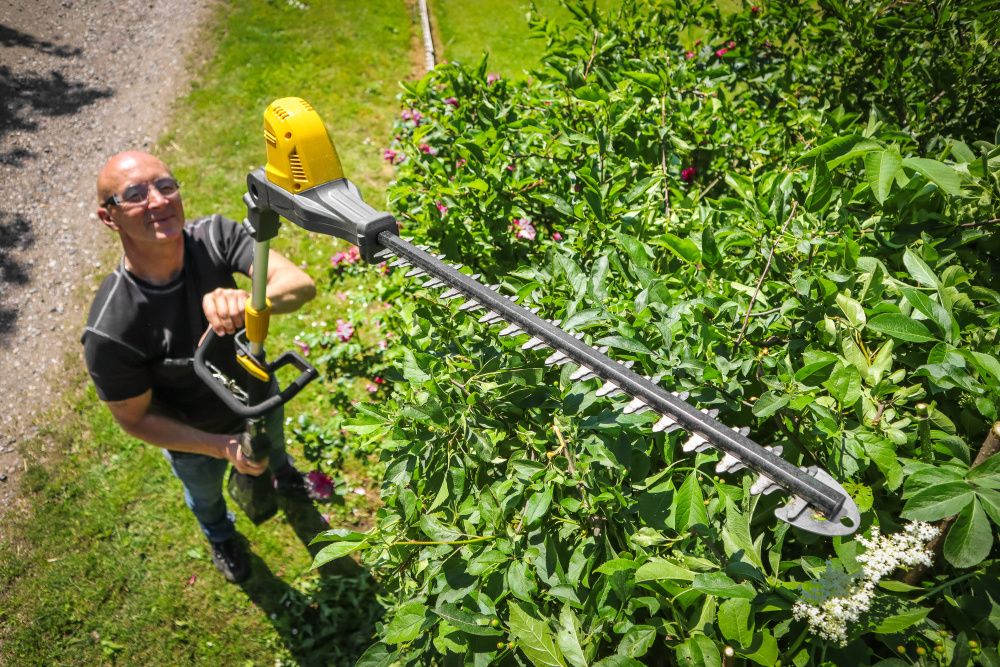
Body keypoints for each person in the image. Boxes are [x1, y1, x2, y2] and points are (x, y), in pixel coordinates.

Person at [81, 151, 317, 583]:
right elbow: (135, 419)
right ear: (108, 217)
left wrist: (252, 301)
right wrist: (221, 447)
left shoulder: (214, 237)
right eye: (135, 195)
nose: (158, 201)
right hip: (196, 438)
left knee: (276, 451)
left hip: (260, 398)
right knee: (205, 496)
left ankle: (283, 476)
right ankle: (220, 534)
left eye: (165, 186)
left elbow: (299, 286)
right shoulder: (111, 329)